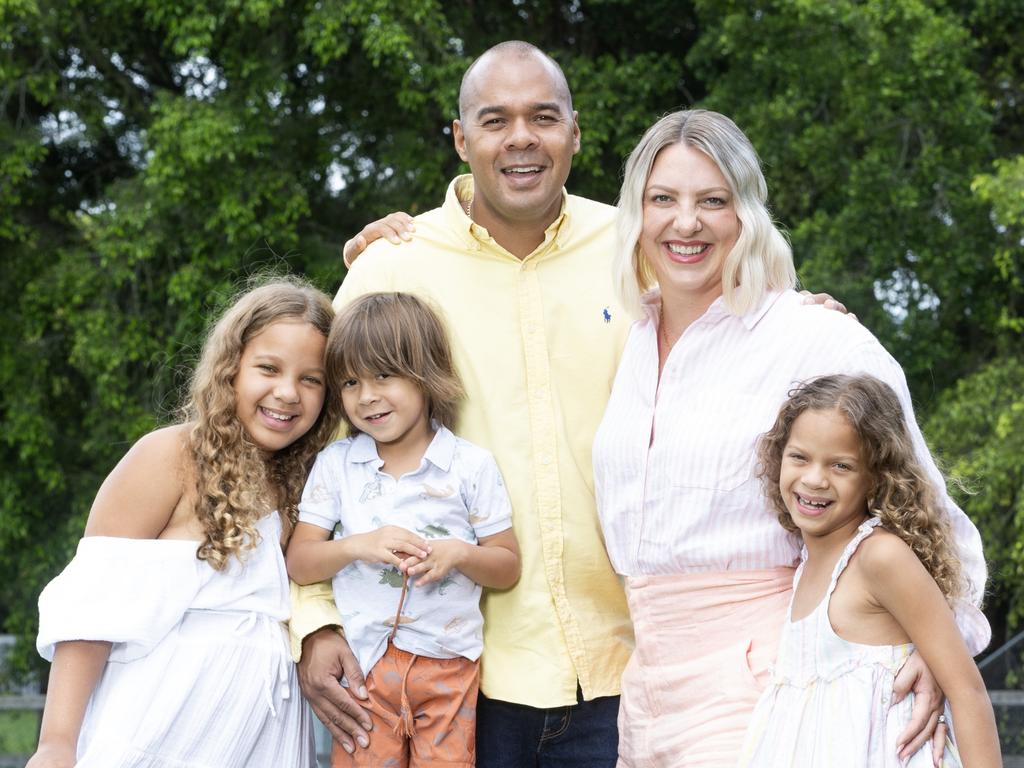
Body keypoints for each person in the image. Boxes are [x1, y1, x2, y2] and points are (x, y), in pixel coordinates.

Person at [591, 109, 990, 768]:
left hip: (764, 679)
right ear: (636, 212)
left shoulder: (812, 337)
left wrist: (944, 643)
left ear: (745, 214)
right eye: (663, 199)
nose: (684, 222)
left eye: (711, 201)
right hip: (645, 691)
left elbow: (932, 510)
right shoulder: (627, 338)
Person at [292, 40, 635, 768]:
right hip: (445, 677)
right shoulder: (394, 265)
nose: (521, 138)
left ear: (574, 131)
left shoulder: (634, 248)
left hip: (624, 667)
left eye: (543, 116)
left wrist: (817, 316)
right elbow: (308, 459)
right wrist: (315, 625)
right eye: (494, 119)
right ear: (460, 137)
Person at [28, 278, 342, 768]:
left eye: (311, 379)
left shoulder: (312, 485)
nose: (287, 393)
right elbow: (94, 606)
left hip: (265, 736)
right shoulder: (171, 456)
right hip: (159, 729)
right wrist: (56, 746)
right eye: (268, 368)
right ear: (231, 368)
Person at [286, 292, 520, 767]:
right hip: (365, 669)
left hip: (448, 669)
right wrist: (358, 546)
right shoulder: (338, 465)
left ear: (425, 373)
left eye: (384, 375)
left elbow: (507, 566)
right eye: (350, 381)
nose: (367, 395)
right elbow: (300, 561)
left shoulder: (469, 466)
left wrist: (460, 554)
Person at [739, 374, 1001, 767]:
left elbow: (967, 691)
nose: (814, 479)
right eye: (799, 457)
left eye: (841, 465)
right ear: (779, 457)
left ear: (877, 476)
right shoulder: (806, 566)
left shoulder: (879, 557)